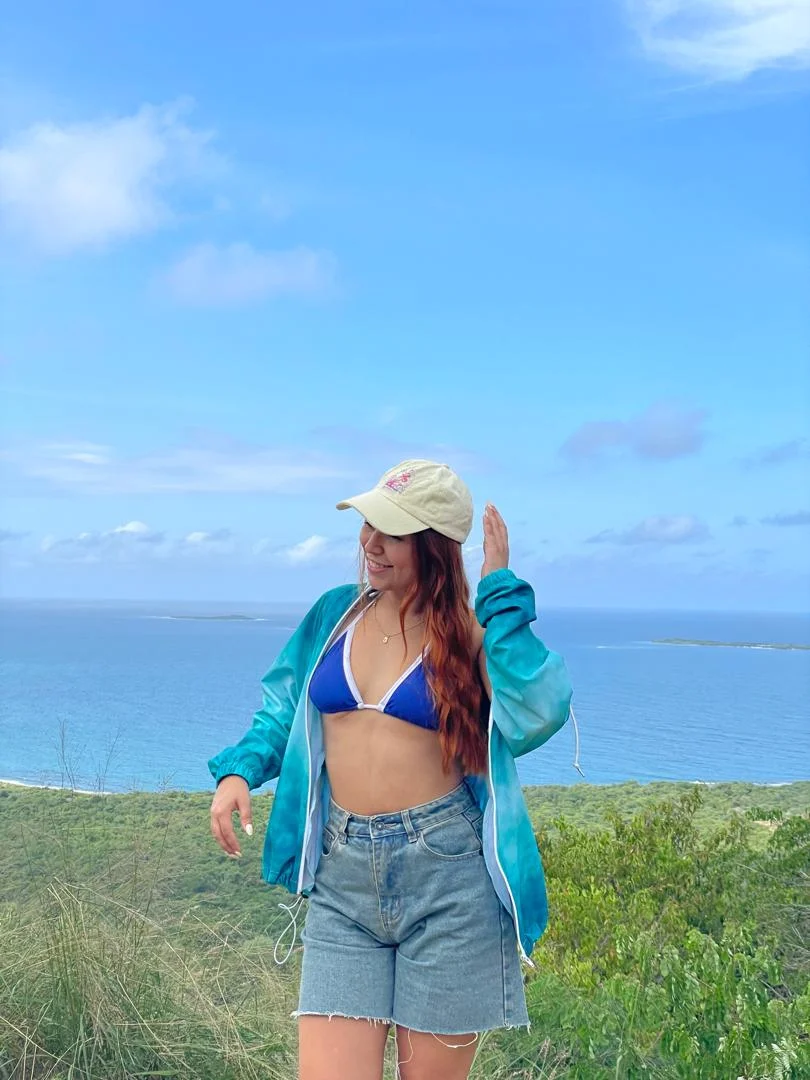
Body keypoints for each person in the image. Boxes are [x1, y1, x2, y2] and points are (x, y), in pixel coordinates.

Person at [209, 459, 579, 1080]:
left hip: (449, 879)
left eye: (393, 532)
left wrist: (499, 596)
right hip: (343, 876)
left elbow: (539, 711)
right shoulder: (336, 614)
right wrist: (239, 771)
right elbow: (282, 705)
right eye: (369, 525)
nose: (371, 544)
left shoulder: (470, 632)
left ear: (435, 546)